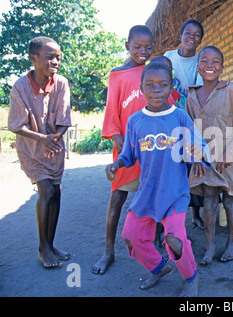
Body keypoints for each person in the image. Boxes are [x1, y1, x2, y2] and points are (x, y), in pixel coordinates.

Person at [106, 62, 209, 296]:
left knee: (175, 238)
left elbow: (200, 145)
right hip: (148, 192)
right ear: (141, 88)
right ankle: (159, 267)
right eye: (150, 85)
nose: (156, 89)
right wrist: (117, 164)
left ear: (170, 87)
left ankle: (191, 277)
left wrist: (199, 156)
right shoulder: (135, 121)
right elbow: (128, 155)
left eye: (163, 85)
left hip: (174, 192)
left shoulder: (180, 117)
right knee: (131, 238)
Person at [187, 46, 233, 265]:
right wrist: (196, 157)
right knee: (209, 201)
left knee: (229, 201)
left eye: (215, 61)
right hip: (206, 159)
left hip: (230, 158)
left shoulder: (232, 90)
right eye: (204, 61)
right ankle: (210, 247)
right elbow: (189, 131)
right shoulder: (191, 96)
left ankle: (231, 243)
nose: (210, 65)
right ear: (198, 66)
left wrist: (230, 149)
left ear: (222, 67)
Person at [92, 25, 153, 275]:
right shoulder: (117, 75)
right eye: (137, 46)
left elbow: (168, 101)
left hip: (152, 146)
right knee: (117, 198)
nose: (143, 51)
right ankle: (108, 251)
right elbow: (111, 110)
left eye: (148, 47)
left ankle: (153, 246)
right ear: (127, 45)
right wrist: (116, 136)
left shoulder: (153, 71)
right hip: (126, 146)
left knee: (153, 195)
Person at [8, 36, 71, 268]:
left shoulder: (61, 83)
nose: (55, 62)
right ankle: (43, 248)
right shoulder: (20, 87)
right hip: (32, 149)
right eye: (50, 57)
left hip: (54, 148)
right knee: (45, 190)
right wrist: (42, 139)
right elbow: (17, 125)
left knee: (56, 192)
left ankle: (51, 244)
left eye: (58, 58)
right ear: (33, 59)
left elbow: (65, 119)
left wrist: (54, 138)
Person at [164, 19, 205, 229]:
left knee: (193, 168)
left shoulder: (201, 61)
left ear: (200, 40)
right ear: (180, 35)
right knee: (171, 168)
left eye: (197, 34)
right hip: (169, 118)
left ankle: (195, 215)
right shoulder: (168, 57)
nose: (192, 37)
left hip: (191, 117)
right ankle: (165, 222)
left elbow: (197, 91)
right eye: (188, 33)